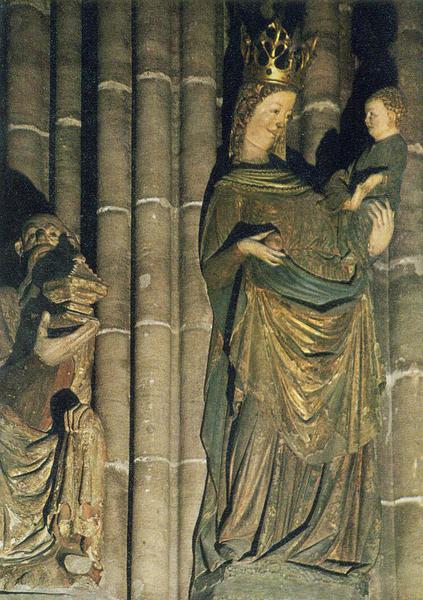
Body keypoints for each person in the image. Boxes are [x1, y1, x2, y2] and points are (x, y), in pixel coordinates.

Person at [190, 20, 395, 598]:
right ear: (245, 113)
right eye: (271, 111)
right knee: (258, 425)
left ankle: (323, 543)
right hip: (263, 330)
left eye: (285, 113)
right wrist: (242, 249)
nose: (279, 123)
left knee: (342, 430)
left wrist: (370, 248)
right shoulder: (232, 187)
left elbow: (336, 249)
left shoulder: (300, 184)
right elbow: (212, 272)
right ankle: (244, 542)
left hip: (326, 327)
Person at [0, 214, 105, 588]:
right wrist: (38, 361)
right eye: (34, 233)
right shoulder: (6, 302)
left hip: (52, 429)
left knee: (88, 428)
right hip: (9, 431)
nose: (45, 238)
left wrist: (81, 413)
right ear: (20, 247)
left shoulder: (74, 310)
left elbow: (79, 383)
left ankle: (69, 545)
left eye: (54, 233)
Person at [322, 86, 407, 214]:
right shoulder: (368, 148)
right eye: (366, 115)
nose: (366, 120)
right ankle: (348, 203)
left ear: (390, 117)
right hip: (354, 199)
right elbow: (348, 173)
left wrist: (379, 178)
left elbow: (395, 175)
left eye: (372, 115)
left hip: (376, 207)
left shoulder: (397, 144)